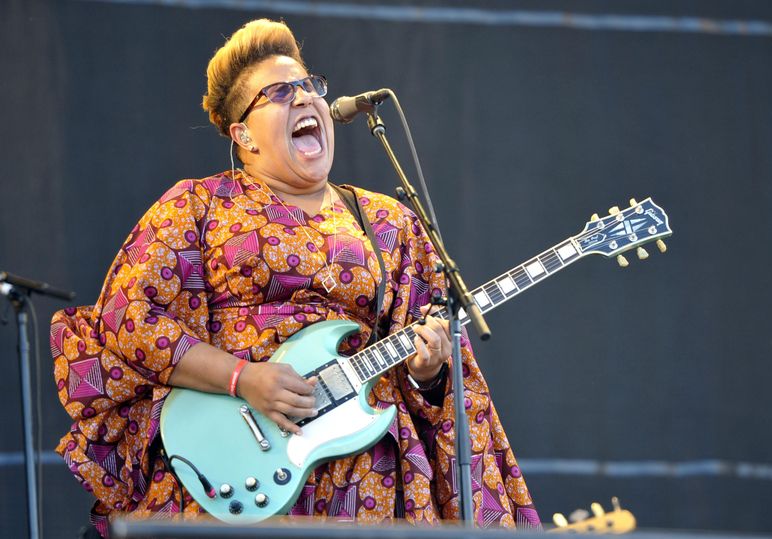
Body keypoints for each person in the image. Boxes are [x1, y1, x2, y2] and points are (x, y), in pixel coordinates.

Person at [51, 19, 540, 538]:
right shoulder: (198, 204)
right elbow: (128, 319)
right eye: (280, 92)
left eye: (310, 86)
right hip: (233, 467)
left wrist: (429, 371)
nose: (305, 98)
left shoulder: (386, 220)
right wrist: (244, 378)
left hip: (363, 478)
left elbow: (436, 365)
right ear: (243, 134)